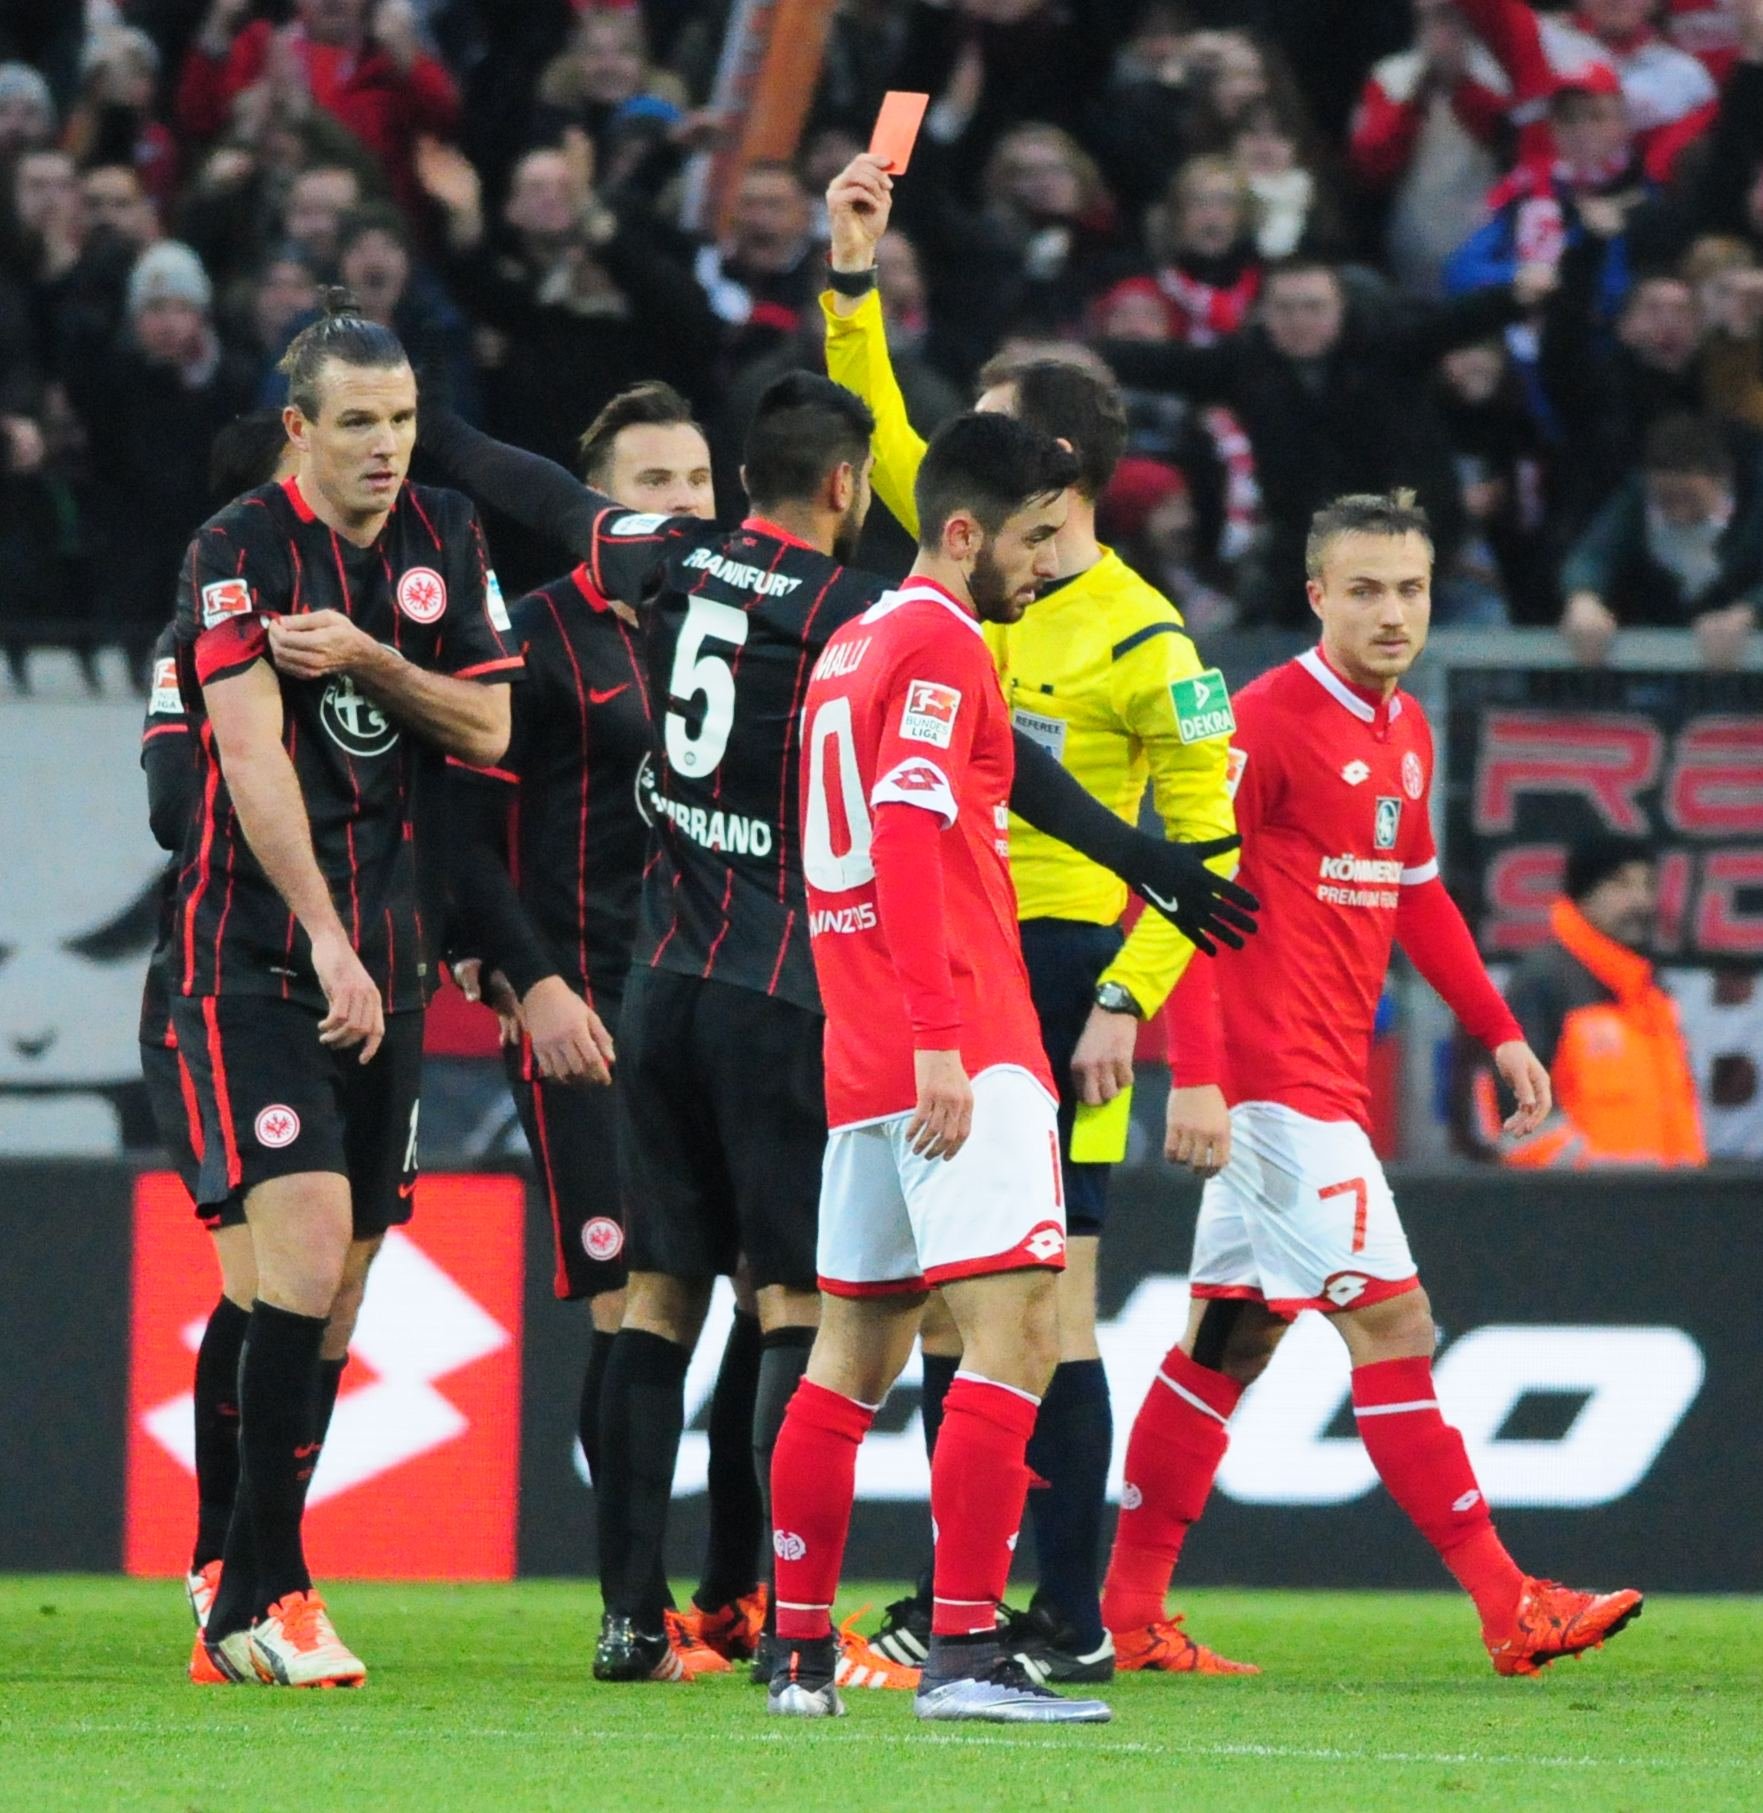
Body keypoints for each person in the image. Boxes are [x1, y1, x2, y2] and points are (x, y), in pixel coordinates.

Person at [416, 376, 1253, 1688]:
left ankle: (698, 1626)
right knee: (874, 1319)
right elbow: (971, 781)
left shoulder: (677, 560)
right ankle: (896, 1635)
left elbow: (536, 488)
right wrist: (1131, 858)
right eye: (1031, 542)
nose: (1042, 565)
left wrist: (435, 419)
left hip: (664, 979)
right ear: (849, 491)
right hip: (804, 996)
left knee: (672, 1304)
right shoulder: (866, 614)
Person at [1101, 490, 1644, 1681]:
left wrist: (1500, 1030)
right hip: (1268, 1085)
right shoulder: (1260, 724)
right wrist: (1192, 1074)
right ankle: (1511, 1605)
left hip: (1311, 1079)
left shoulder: (1403, 728)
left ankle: (1129, 1612)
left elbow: (1415, 892)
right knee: (1393, 1323)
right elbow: (1177, 888)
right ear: (1315, 595)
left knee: (1226, 1342)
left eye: (1407, 588)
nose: (1390, 612)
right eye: (1363, 589)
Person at [822, 152, 1243, 1683]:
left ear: (1055, 469)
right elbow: (868, 408)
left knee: (1045, 1295)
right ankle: (971, 1599)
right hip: (948, 957)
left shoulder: (1145, 632)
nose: (954, 449)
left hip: (1061, 975)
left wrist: (1130, 1004)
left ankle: (1057, 1612)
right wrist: (852, 272)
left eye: (990, 426)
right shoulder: (962, 565)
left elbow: (1196, 849)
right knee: (957, 1305)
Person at [174, 294, 521, 1689]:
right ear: (300, 429)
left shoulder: (448, 538)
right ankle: (267, 1592)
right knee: (306, 1252)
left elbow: (490, 723)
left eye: (405, 420)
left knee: (330, 1293)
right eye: (360, 423)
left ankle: (234, 1573)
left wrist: (378, 658)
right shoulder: (236, 547)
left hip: (394, 958)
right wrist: (318, 934)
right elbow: (251, 759)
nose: (388, 448)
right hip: (252, 956)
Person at [765, 413, 1112, 1726]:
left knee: (847, 1351)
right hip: (954, 1037)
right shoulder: (937, 639)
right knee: (1016, 1330)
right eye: (1031, 538)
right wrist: (933, 1036)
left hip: (862, 1042)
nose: (1045, 564)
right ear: (959, 530)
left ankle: (800, 1658)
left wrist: (880, 1025)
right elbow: (908, 827)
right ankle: (964, 1652)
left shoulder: (845, 641)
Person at [447, 382, 767, 1676]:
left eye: (696, 479)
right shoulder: (529, 638)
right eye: (650, 483)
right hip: (587, 1008)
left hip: (727, 1009)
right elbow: (460, 832)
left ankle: (731, 1592)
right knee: (636, 1302)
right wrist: (526, 980)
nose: (681, 504)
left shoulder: (747, 632)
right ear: (595, 507)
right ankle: (629, 1608)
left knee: (769, 1296)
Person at [138, 411, 297, 1659]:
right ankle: (226, 1571)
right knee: (260, 1282)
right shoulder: (194, 637)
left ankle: (260, 1563)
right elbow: (172, 806)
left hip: (363, 983)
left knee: (324, 1295)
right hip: (229, 976)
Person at [1471, 836, 1707, 1167]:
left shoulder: (1653, 994)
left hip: (1671, 1209)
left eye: (1648, 885)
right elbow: (1511, 1112)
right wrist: (1594, 1179)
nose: (1641, 900)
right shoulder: (1544, 981)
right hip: (1578, 1209)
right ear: (1583, 894)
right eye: (1620, 884)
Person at [1560, 412, 1762, 667]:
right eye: (1666, 499)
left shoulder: (1755, 504)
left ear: (1722, 480)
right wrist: (1583, 600)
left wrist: (1747, 612)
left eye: (1690, 498)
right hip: (1658, 657)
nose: (1678, 513)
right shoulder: (1636, 502)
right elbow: (1594, 553)